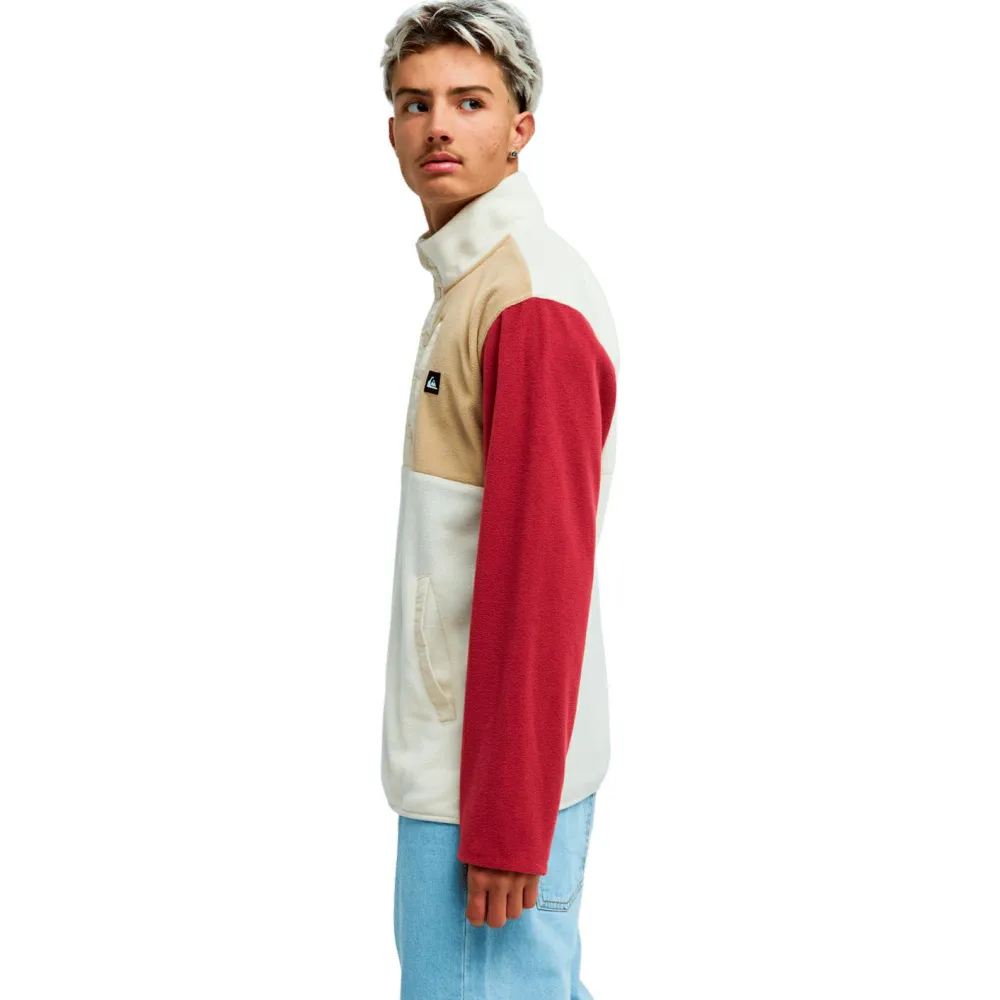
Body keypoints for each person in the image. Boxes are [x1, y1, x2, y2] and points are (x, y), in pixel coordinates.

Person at [378, 2, 620, 996]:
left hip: (488, 798)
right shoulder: (472, 282)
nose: (438, 125)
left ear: (521, 126)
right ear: (391, 128)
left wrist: (510, 822)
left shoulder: (528, 304)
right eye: (415, 103)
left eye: (469, 102)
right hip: (468, 775)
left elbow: (540, 577)